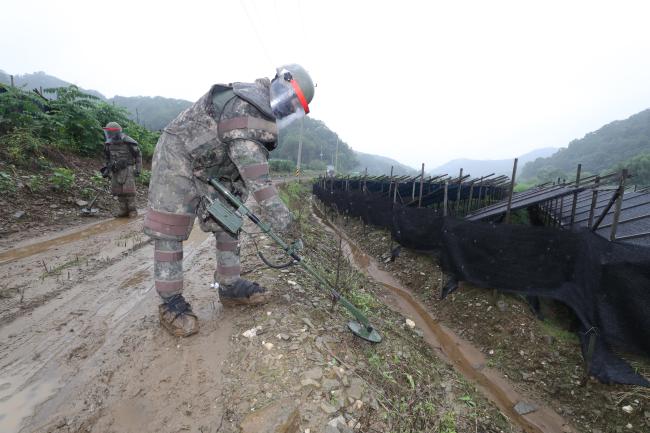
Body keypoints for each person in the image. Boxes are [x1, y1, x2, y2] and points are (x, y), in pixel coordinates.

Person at [143, 64, 315, 337]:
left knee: (229, 218)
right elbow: (259, 181)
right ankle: (171, 302)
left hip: (213, 165)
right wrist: (287, 225)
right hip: (179, 154)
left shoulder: (262, 117)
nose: (285, 110)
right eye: (288, 101)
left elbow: (242, 169)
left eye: (292, 108)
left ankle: (230, 285)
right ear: (279, 85)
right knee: (170, 227)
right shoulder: (246, 105)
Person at [102, 122, 142, 217]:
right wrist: (107, 169)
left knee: (129, 192)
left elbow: (138, 156)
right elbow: (107, 158)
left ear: (116, 132)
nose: (109, 135)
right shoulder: (108, 144)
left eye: (110, 132)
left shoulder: (129, 142)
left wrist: (138, 169)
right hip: (115, 169)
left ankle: (132, 210)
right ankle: (123, 210)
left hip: (127, 168)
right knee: (119, 192)